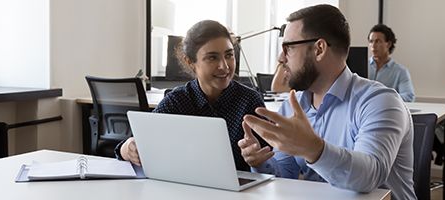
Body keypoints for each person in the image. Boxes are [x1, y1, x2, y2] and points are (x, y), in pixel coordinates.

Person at [237, 5, 416, 200]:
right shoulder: (293, 104)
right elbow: (285, 176)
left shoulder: (380, 101)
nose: (281, 58)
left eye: (288, 47)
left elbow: (369, 177)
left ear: (319, 49)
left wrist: (313, 148)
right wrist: (260, 163)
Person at [115, 20, 269, 171]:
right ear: (190, 62)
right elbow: (135, 143)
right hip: (186, 188)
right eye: (212, 57)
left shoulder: (250, 101)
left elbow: (273, 164)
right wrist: (128, 148)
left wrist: (257, 161)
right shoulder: (177, 101)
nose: (225, 66)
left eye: (229, 55)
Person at [367, 24, 415, 102]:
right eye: (371, 41)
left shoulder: (400, 71)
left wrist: (384, 98)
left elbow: (409, 96)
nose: (373, 45)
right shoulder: (361, 65)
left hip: (387, 110)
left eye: (378, 41)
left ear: (388, 44)